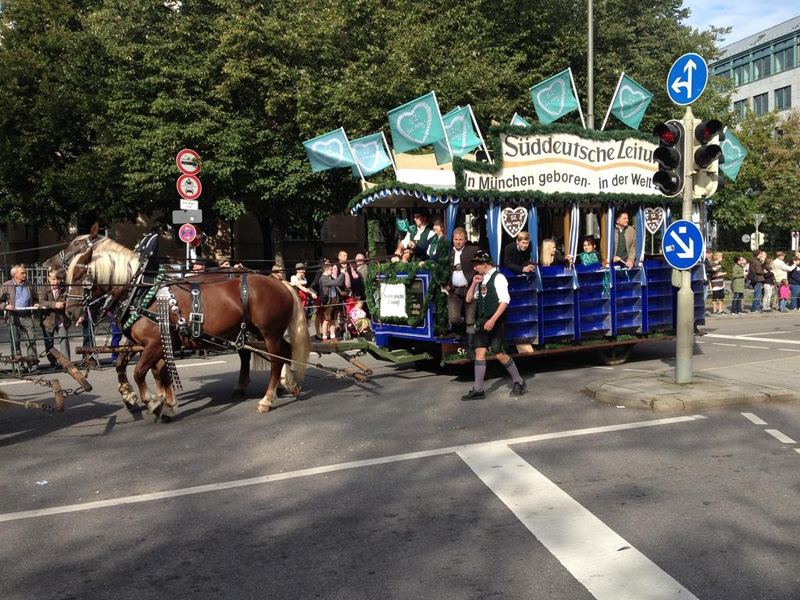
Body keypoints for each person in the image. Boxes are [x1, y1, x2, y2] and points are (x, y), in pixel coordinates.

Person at [461, 251, 527, 400]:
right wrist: (474, 283)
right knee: (479, 352)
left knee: (498, 352)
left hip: (497, 321)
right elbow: (469, 299)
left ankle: (519, 381)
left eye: (476, 265)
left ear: (485, 264)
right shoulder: (480, 279)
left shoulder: (499, 278)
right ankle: (478, 389)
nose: (474, 267)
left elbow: (504, 301)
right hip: (482, 321)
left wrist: (493, 320)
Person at [0, 264, 39, 372]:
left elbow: (35, 298)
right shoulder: (7, 285)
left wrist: (35, 303)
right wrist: (5, 306)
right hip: (13, 317)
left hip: (27, 316)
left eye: (25, 272)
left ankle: (33, 366)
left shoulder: (29, 285)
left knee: (31, 341)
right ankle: (19, 366)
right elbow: (0, 301)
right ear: (15, 275)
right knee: (15, 342)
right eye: (22, 273)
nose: (25, 275)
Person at [445, 227, 478, 343]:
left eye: (460, 239)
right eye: (456, 239)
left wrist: (476, 280)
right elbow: (442, 269)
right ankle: (461, 330)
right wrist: (445, 284)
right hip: (454, 290)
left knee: (470, 319)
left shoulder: (473, 250)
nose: (458, 242)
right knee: (454, 318)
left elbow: (483, 263)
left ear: (465, 240)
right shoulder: (449, 252)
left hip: (470, 289)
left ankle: (470, 344)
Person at [38, 267, 72, 367]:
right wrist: (54, 304)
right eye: (53, 279)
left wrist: (63, 303)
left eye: (58, 279)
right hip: (48, 320)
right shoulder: (44, 288)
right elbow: (42, 301)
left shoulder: (65, 287)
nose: (56, 281)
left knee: (63, 339)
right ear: (49, 278)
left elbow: (70, 299)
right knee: (49, 342)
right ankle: (53, 362)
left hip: (62, 319)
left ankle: (66, 363)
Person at [318, 260, 344, 342]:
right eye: (331, 270)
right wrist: (342, 274)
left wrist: (343, 275)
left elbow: (339, 283)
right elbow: (336, 282)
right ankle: (324, 337)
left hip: (334, 301)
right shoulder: (323, 279)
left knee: (333, 320)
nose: (332, 271)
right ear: (326, 269)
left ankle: (333, 337)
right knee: (326, 320)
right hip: (328, 302)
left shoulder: (330, 277)